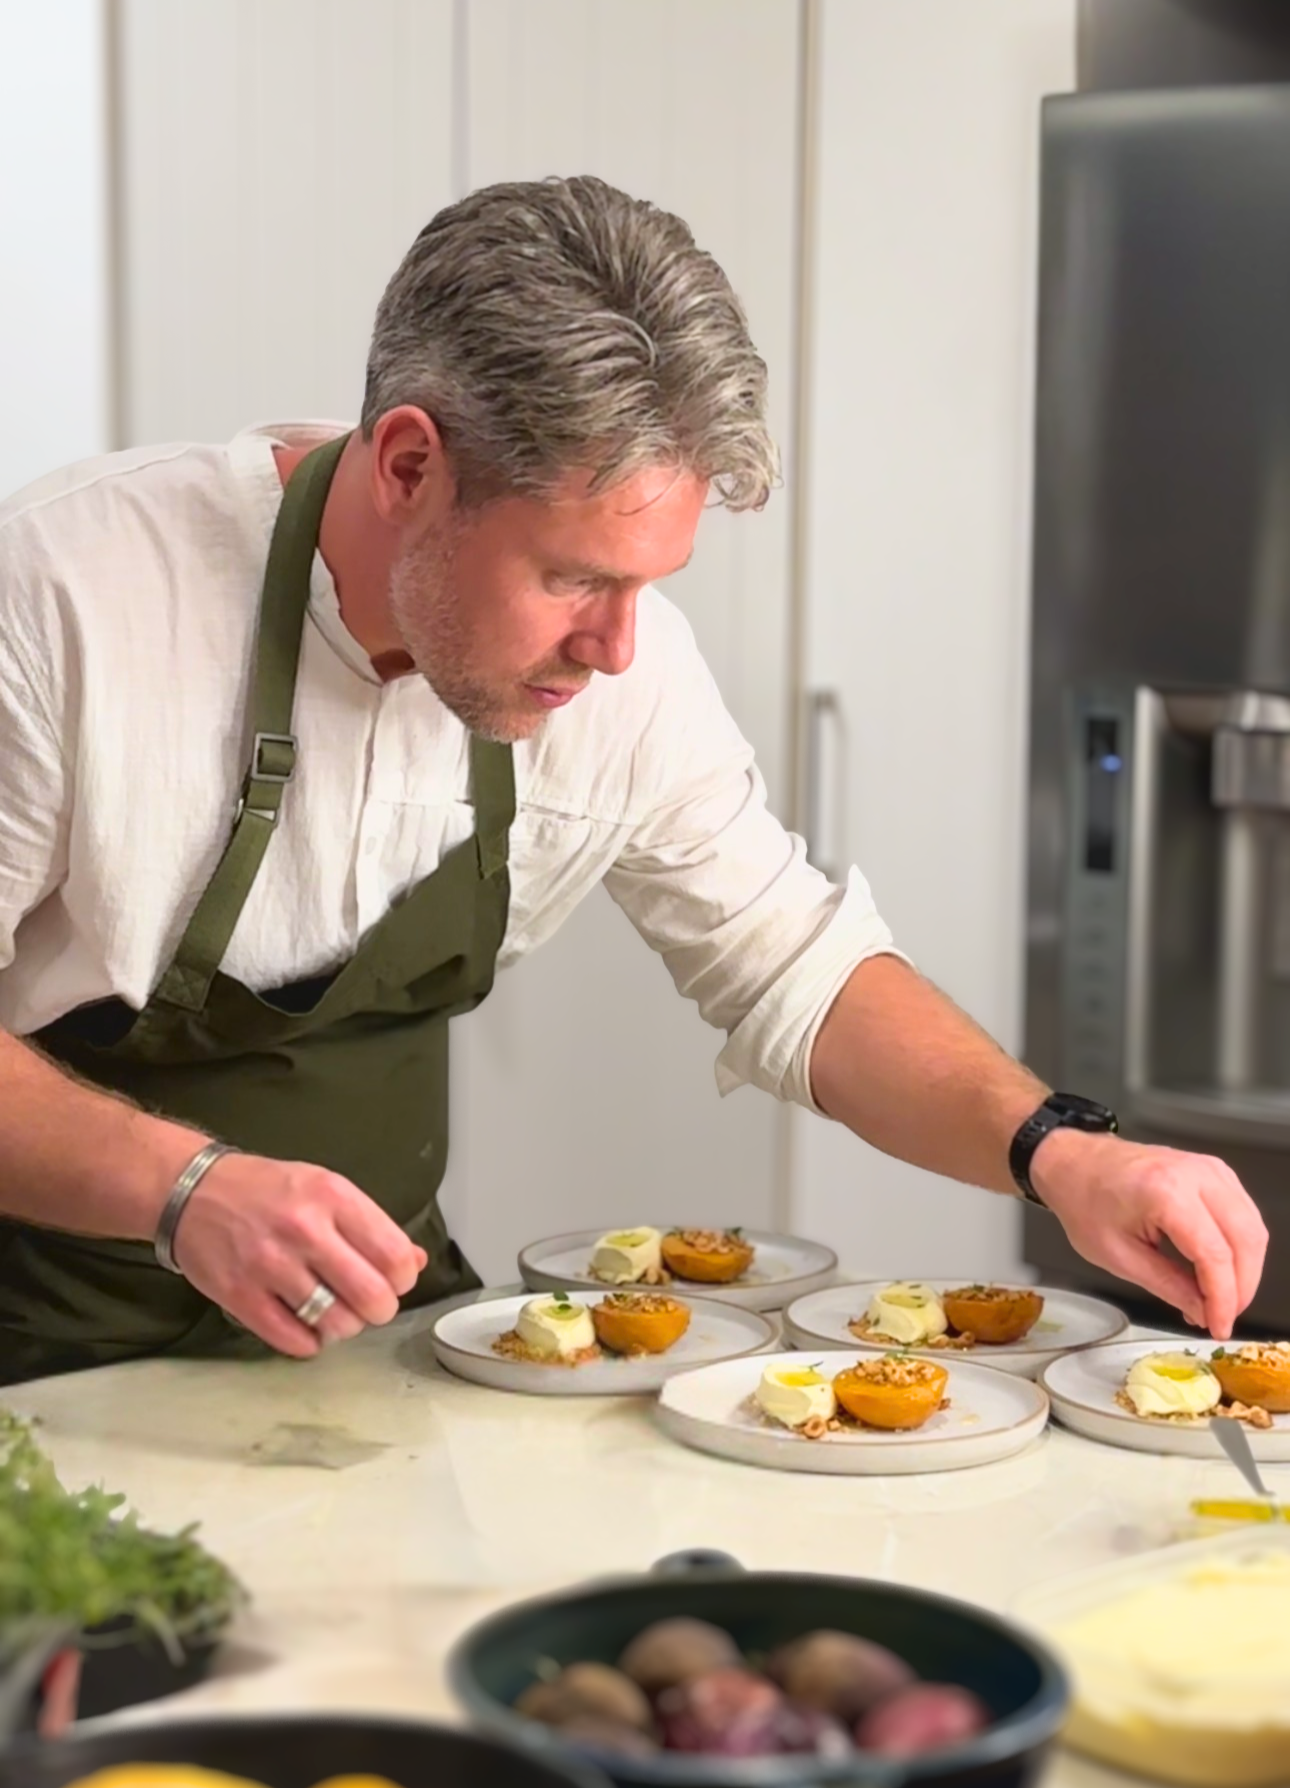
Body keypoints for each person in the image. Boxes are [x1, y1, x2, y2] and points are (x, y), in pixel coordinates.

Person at [0, 176, 1266, 1384]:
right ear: (406, 466)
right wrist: (184, 1189)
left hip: (373, 1361)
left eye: (647, 583)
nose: (615, 647)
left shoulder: (622, 668)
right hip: (44, 1371)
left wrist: (1063, 1154)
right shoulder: (69, 599)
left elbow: (792, 967)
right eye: (572, 577)